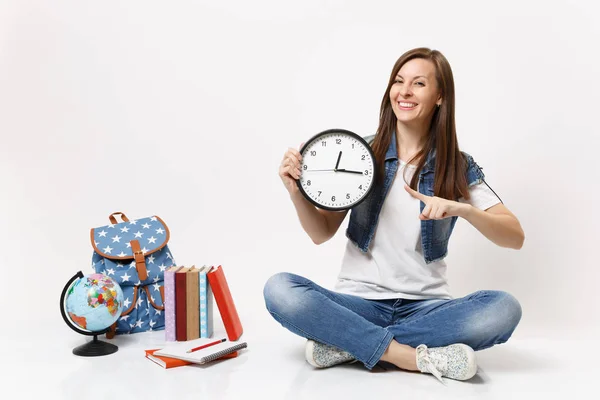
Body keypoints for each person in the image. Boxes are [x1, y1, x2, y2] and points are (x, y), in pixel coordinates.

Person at [263, 47, 524, 384]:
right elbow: (320, 233)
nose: (404, 91)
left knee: (504, 308)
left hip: (427, 307)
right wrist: (295, 192)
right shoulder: (362, 152)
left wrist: (463, 208)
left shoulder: (456, 165)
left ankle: (350, 343)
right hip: (358, 302)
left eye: (418, 83)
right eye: (399, 81)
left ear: (440, 96)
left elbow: (514, 236)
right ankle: (408, 356)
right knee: (280, 289)